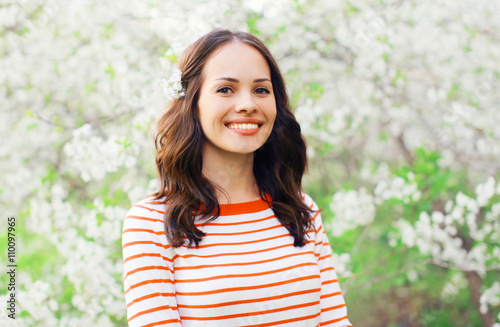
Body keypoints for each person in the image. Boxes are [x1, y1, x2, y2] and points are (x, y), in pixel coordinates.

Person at [122, 28, 352, 327]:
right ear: (192, 103)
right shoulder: (151, 224)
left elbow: (334, 321)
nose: (248, 104)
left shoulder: (300, 211)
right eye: (225, 89)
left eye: (261, 90)